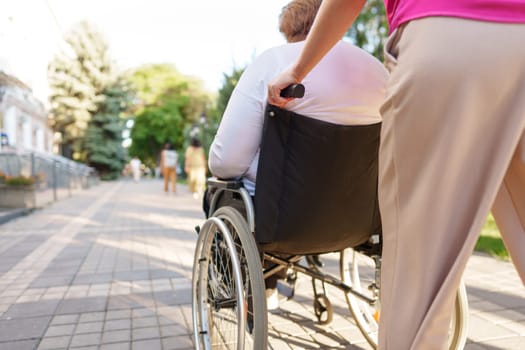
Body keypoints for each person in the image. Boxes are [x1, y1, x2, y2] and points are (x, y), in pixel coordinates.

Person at [268, 1, 525, 349]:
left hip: (448, 37)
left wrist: (298, 70)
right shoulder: (366, 69)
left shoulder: (275, 62)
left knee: (417, 274)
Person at [208, 0, 388, 310]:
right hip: (360, 220)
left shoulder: (274, 62)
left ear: (289, 29)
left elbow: (226, 162)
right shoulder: (377, 70)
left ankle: (261, 284)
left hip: (281, 219)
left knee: (222, 189)